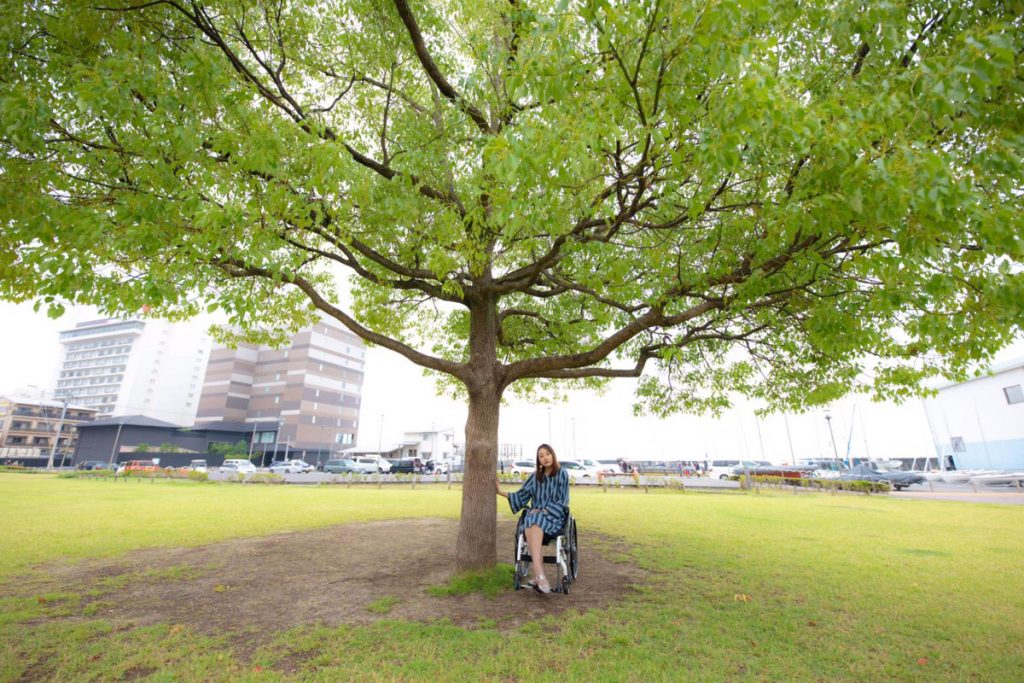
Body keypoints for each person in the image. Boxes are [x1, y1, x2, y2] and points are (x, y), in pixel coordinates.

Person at [495, 443, 569, 595]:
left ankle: (538, 574)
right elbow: (521, 496)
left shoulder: (562, 473)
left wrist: (544, 510)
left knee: (533, 517)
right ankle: (539, 576)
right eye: (541, 456)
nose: (545, 458)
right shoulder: (535, 477)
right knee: (530, 518)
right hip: (535, 518)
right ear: (538, 460)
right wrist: (500, 492)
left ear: (553, 455)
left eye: (547, 454)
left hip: (554, 516)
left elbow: (563, 500)